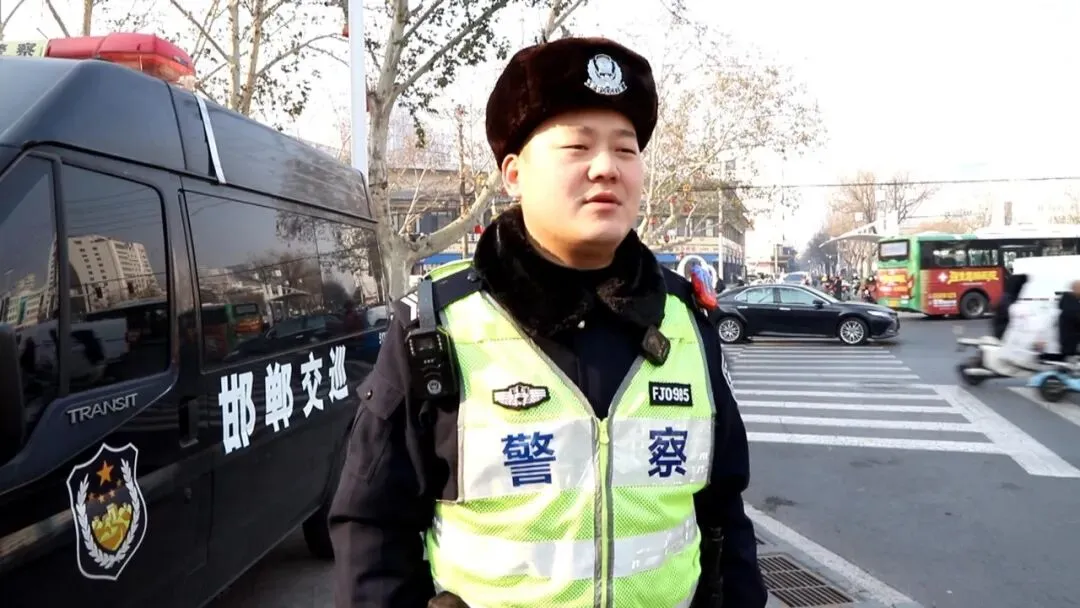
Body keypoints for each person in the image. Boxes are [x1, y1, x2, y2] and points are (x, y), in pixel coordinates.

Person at [328, 36, 767, 608]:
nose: (606, 168)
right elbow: (373, 531)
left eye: (626, 149)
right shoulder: (436, 328)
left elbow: (723, 513)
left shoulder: (686, 321)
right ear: (513, 173)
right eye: (578, 146)